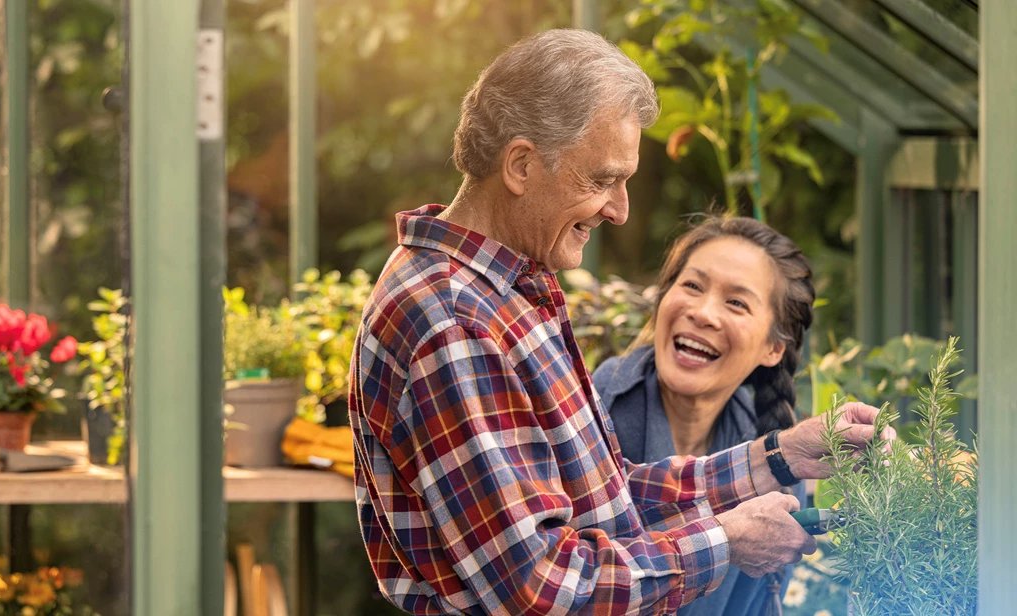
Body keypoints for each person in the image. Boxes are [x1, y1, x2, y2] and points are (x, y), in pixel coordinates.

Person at [348, 28, 887, 615]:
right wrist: (724, 541)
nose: (621, 209)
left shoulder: (508, 288)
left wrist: (778, 456)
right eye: (602, 179)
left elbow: (606, 501)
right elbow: (542, 588)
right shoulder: (456, 323)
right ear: (522, 165)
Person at [593, 217, 815, 615]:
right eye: (692, 286)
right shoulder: (594, 414)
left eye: (736, 302)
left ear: (773, 348)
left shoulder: (775, 454)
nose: (703, 312)